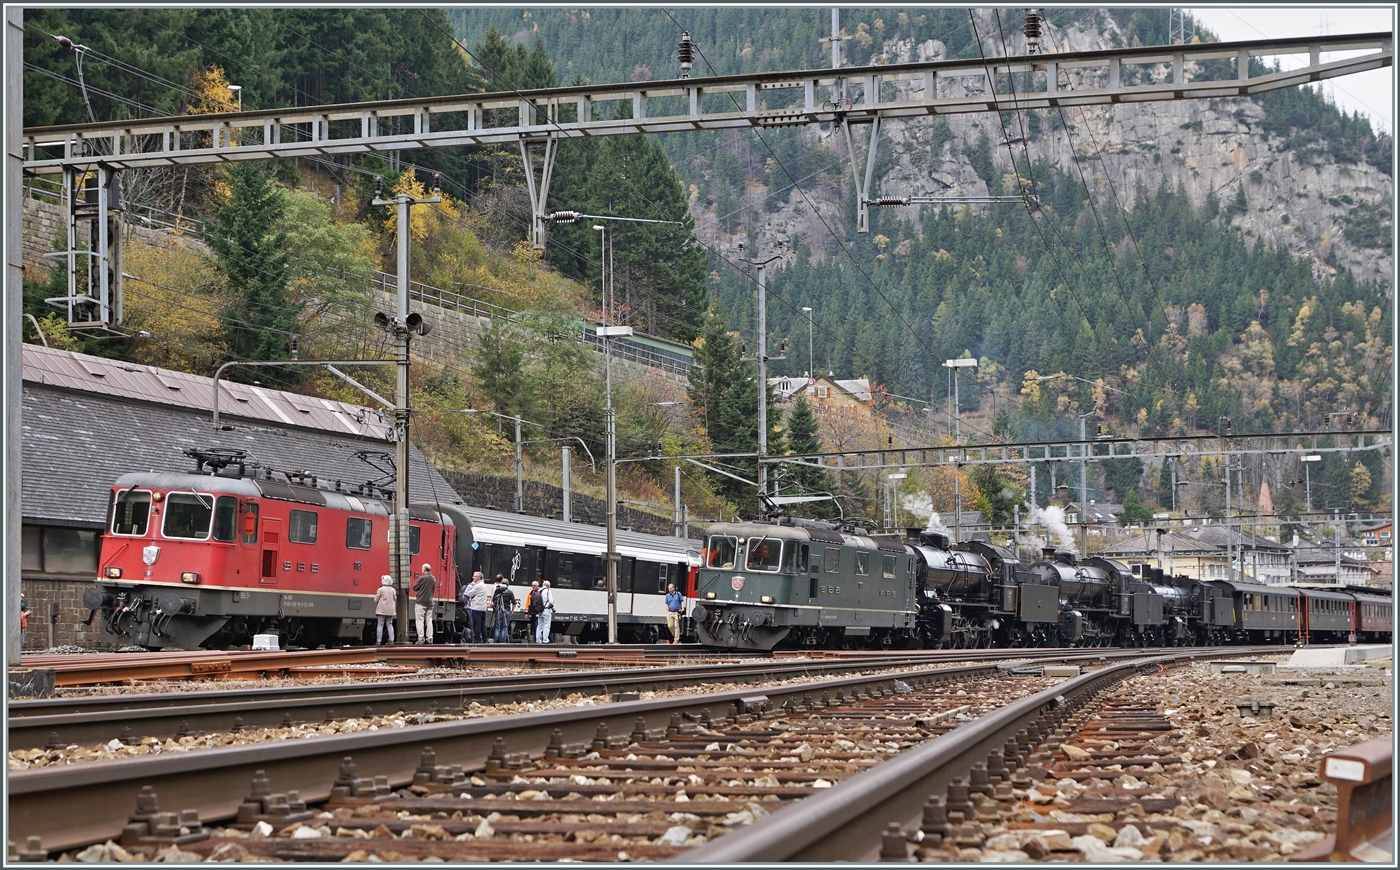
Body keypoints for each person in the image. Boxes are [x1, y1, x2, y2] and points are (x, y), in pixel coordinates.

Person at [413, 563, 436, 645]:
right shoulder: (433, 578)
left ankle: (421, 639)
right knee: (429, 621)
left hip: (421, 602)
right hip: (430, 602)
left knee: (420, 620)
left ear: (424, 570)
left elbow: (414, 588)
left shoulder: (422, 578)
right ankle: (430, 638)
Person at [465, 571, 491, 644]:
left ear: (479, 577)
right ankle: (485, 639)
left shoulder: (477, 586)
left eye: (474, 576)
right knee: (483, 624)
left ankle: (477, 639)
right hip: (482, 608)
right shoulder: (484, 585)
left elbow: (469, 594)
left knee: (477, 624)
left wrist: (472, 595)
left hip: (476, 607)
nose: (473, 577)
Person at [491, 575, 516, 643]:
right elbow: (514, 602)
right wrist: (512, 610)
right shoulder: (510, 592)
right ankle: (502, 641)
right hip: (507, 610)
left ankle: (496, 640)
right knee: (505, 627)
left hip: (499, 610)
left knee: (497, 626)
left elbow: (494, 599)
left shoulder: (498, 590)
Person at [373, 575, 397, 645]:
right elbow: (395, 598)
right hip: (391, 611)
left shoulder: (381, 589)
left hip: (381, 611)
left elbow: (375, 600)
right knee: (389, 624)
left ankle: (378, 641)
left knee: (380, 625)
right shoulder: (393, 590)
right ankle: (391, 640)